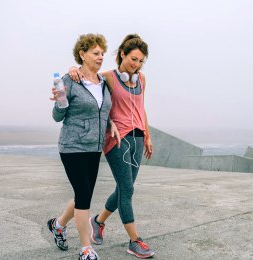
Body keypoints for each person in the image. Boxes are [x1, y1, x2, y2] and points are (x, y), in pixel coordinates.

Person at [69, 34, 155, 259]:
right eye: (133, 59)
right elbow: (87, 76)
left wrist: (147, 135)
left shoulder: (141, 79)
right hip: (116, 140)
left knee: (123, 189)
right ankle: (135, 241)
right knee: (127, 189)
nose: (136, 65)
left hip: (137, 139)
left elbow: (142, 108)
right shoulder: (108, 77)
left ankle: (98, 222)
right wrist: (72, 69)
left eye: (140, 61)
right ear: (122, 55)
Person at [48, 33, 120, 260]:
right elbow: (57, 116)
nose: (100, 57)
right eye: (95, 53)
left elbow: (102, 110)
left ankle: (58, 225)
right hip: (72, 146)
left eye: (102, 54)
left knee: (84, 194)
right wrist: (60, 101)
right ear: (82, 54)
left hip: (94, 147)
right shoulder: (70, 81)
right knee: (83, 195)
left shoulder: (103, 83)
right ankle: (86, 248)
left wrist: (111, 124)